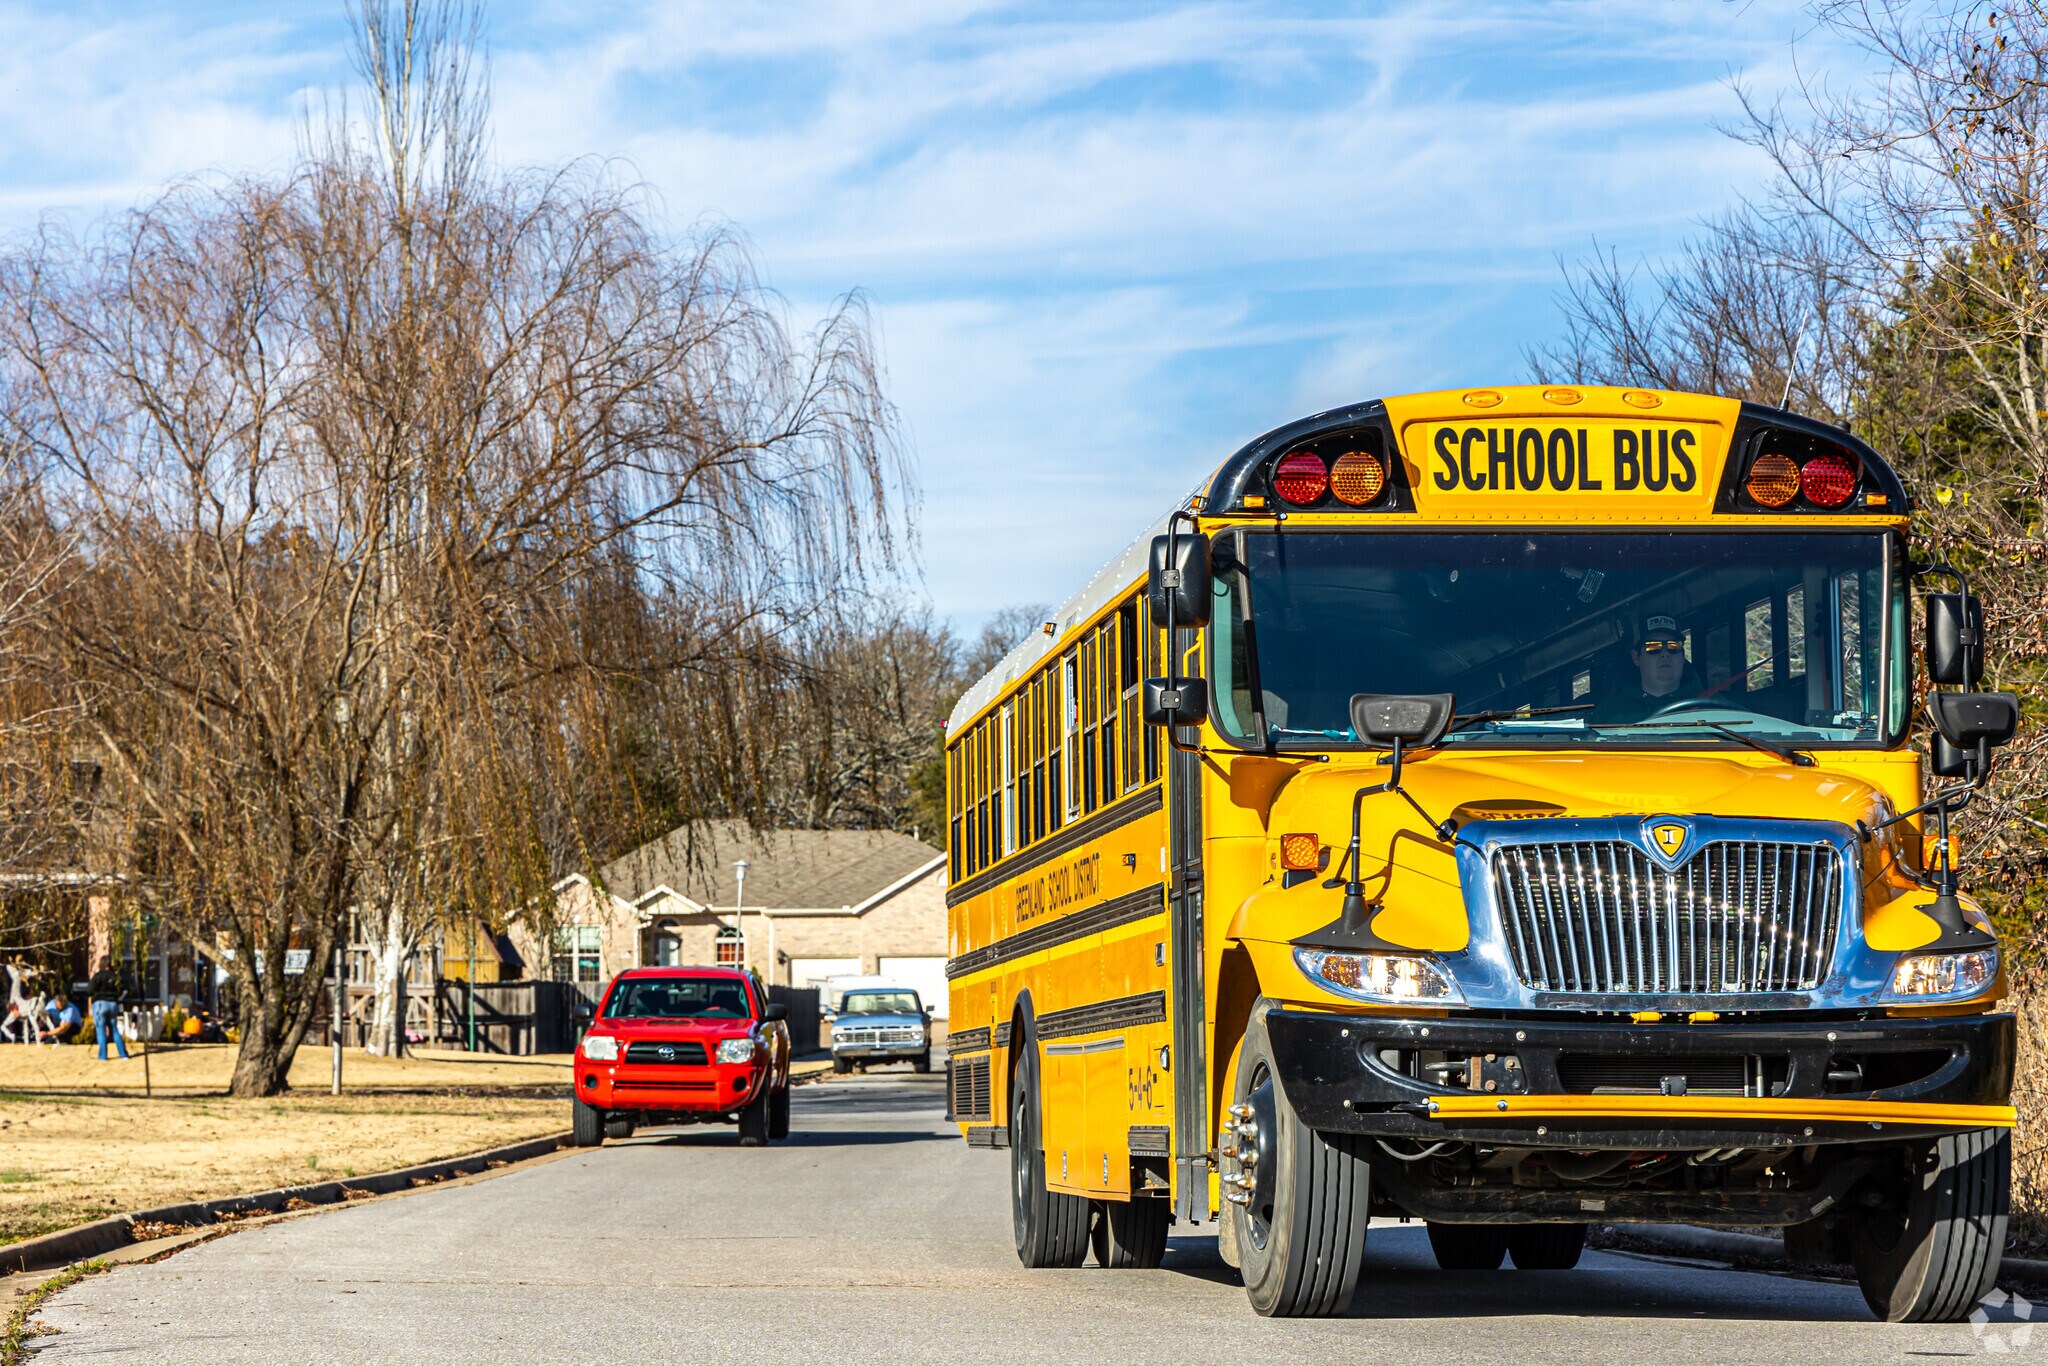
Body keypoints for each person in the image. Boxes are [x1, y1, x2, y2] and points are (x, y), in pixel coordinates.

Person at [1595, 614, 1701, 723]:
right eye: (1653, 646)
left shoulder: (1707, 705)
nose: (1665, 653)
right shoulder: (1610, 713)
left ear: (1683, 656)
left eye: (1673, 646)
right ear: (1636, 657)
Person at [88, 963, 130, 1061]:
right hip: (113, 1004)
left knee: (101, 1029)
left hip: (100, 1004)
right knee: (114, 1029)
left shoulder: (98, 976)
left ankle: (102, 1056)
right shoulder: (116, 977)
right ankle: (123, 1055)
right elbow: (124, 990)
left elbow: (89, 990)